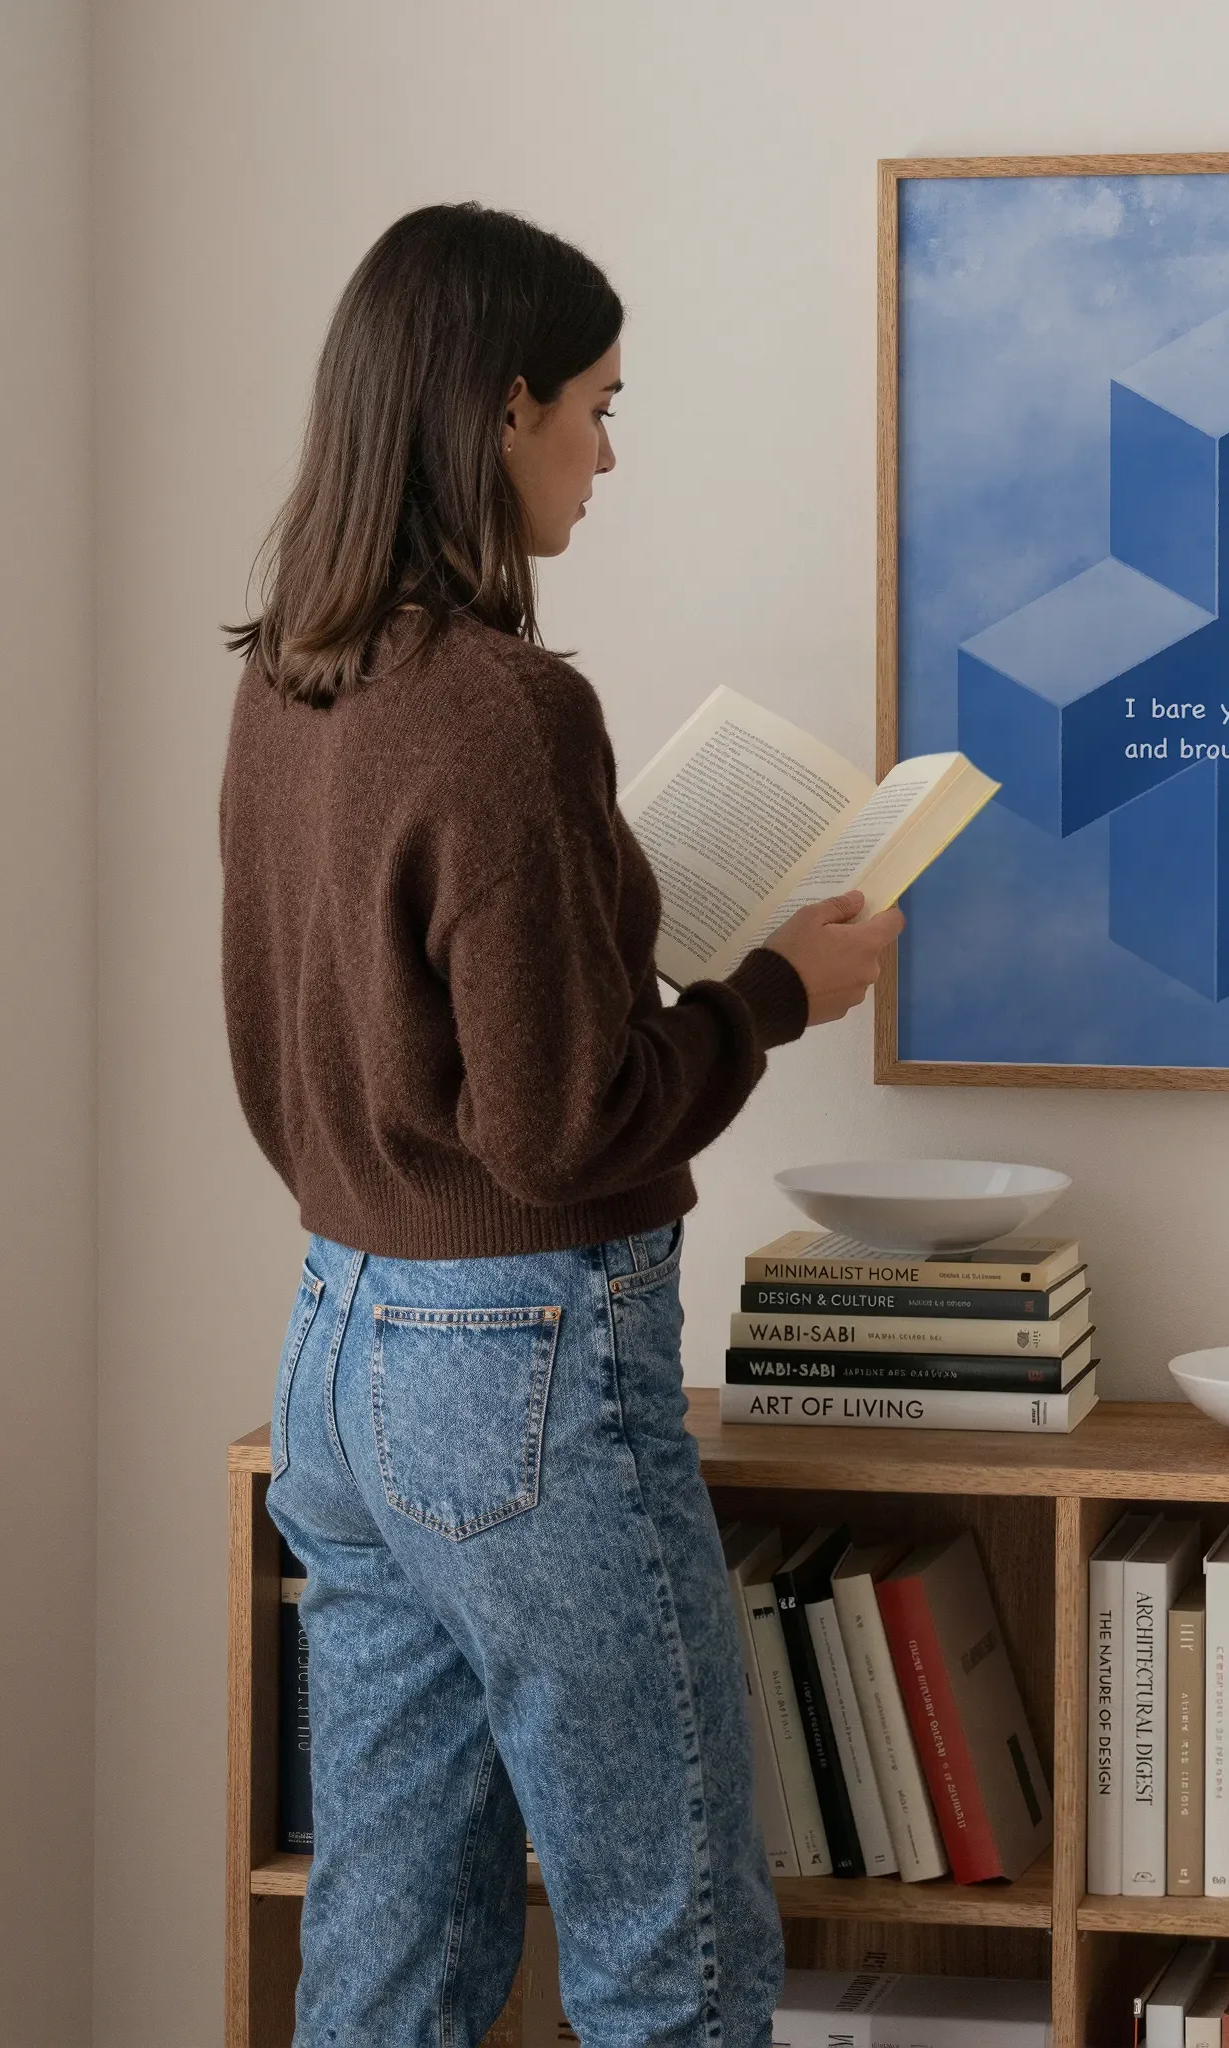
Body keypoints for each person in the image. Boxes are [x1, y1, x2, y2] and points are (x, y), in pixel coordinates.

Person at [219, 202, 899, 2048]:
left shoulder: (292, 676)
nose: (607, 451)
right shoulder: (506, 708)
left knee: (391, 1944)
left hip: (338, 1360)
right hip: (518, 1369)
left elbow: (325, 1053)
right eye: (597, 404)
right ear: (500, 404)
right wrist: (774, 996)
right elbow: (559, 1126)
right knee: (667, 1949)